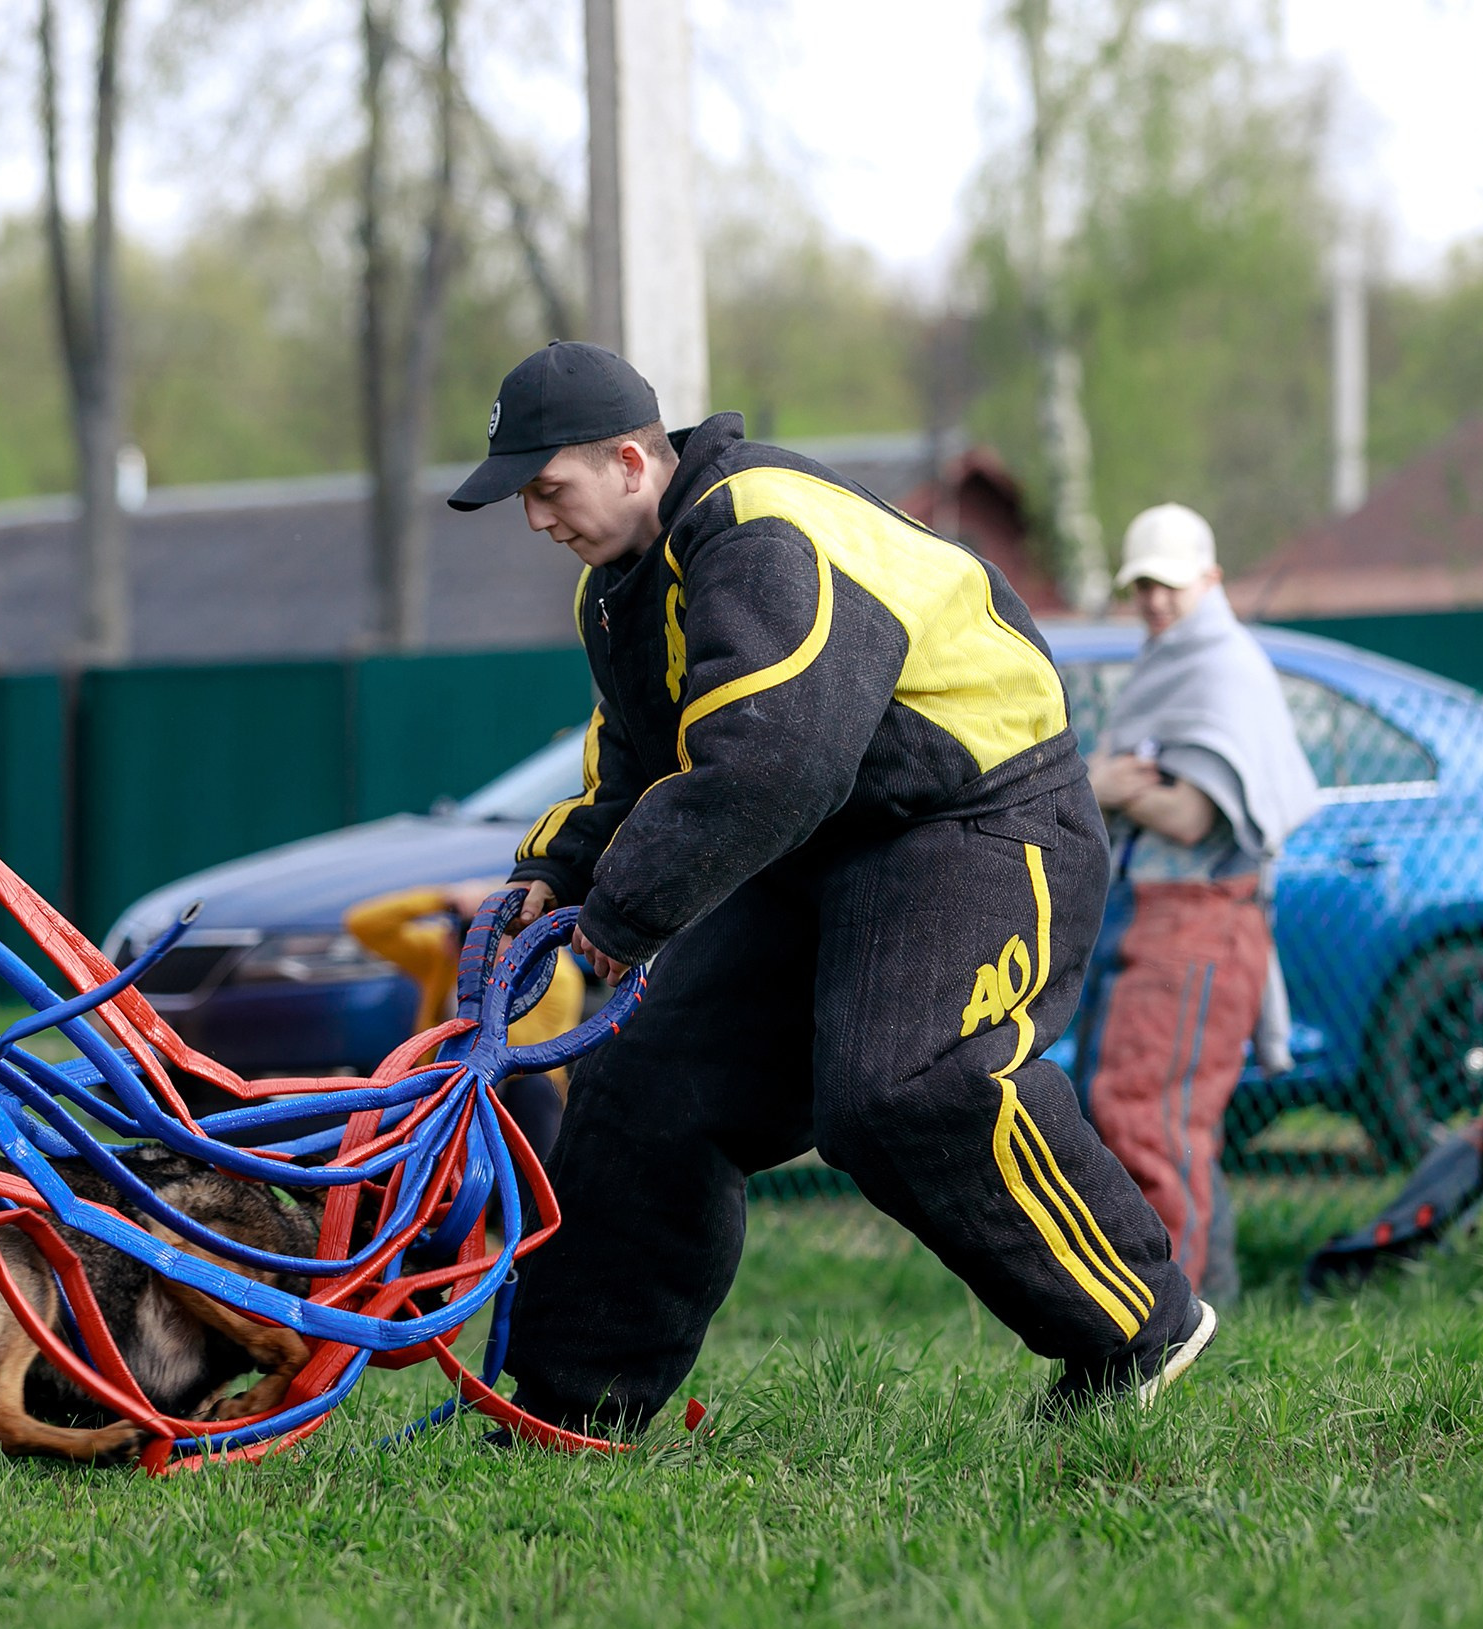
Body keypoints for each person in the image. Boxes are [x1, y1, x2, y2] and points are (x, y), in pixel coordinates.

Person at [446, 341, 1210, 1432]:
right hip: (826, 844)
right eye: (520, 496)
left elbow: (774, 759)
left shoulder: (759, 526)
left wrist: (626, 912)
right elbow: (639, 765)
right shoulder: (617, 593)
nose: (535, 519)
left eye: (546, 488)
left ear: (627, 460)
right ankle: (572, 1411)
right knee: (644, 1088)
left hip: (978, 815)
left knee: (904, 1082)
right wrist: (550, 874)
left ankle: (1137, 1325)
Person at [1079, 503, 1319, 1302]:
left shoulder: (1218, 664)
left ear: (1211, 580)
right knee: (1163, 1119)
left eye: (1171, 586)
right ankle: (1201, 1306)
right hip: (1167, 917)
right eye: (1142, 586)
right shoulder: (1174, 657)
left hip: (1198, 920)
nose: (1155, 602)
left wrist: (1106, 785)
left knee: (1142, 1111)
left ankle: (1167, 1322)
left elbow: (1190, 812)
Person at [343, 877, 585, 1159]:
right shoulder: (446, 953)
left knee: (533, 1090)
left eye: (502, 931)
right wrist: (445, 899)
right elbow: (362, 924)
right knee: (391, 1082)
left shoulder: (555, 976)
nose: (484, 942)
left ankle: (527, 1196)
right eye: (474, 929)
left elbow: (510, 1053)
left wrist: (495, 976)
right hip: (439, 1084)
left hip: (511, 1092)